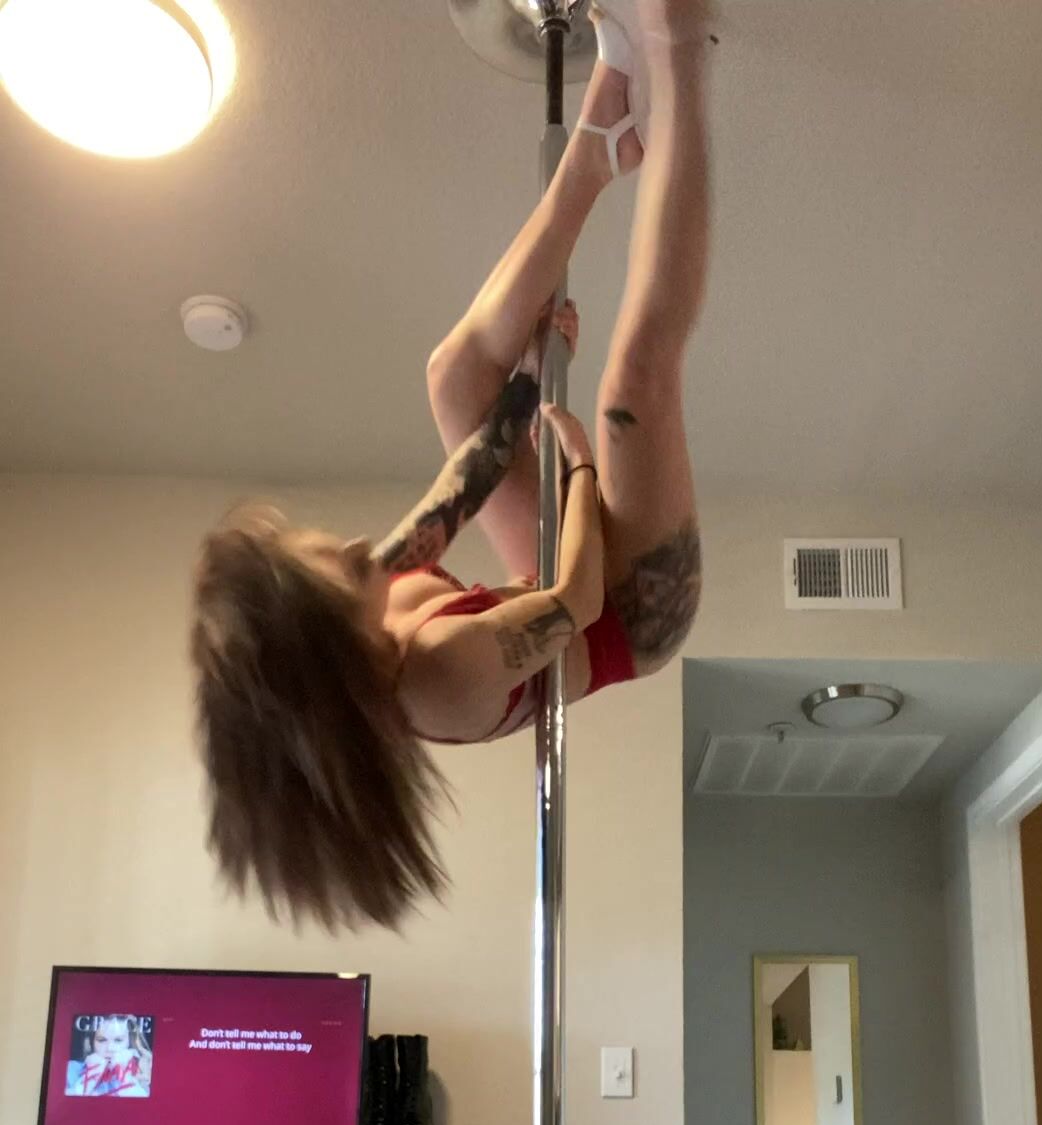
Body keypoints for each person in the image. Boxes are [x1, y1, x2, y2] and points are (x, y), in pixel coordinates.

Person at [191, 0, 713, 928]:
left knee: (452, 377)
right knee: (633, 379)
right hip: (625, 608)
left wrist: (525, 380)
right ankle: (680, 52)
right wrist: (578, 468)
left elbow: (458, 490)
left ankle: (599, 142)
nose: (360, 549)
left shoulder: (363, 599)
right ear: (336, 644)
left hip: (554, 581)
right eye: (343, 567)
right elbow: (578, 598)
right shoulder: (438, 674)